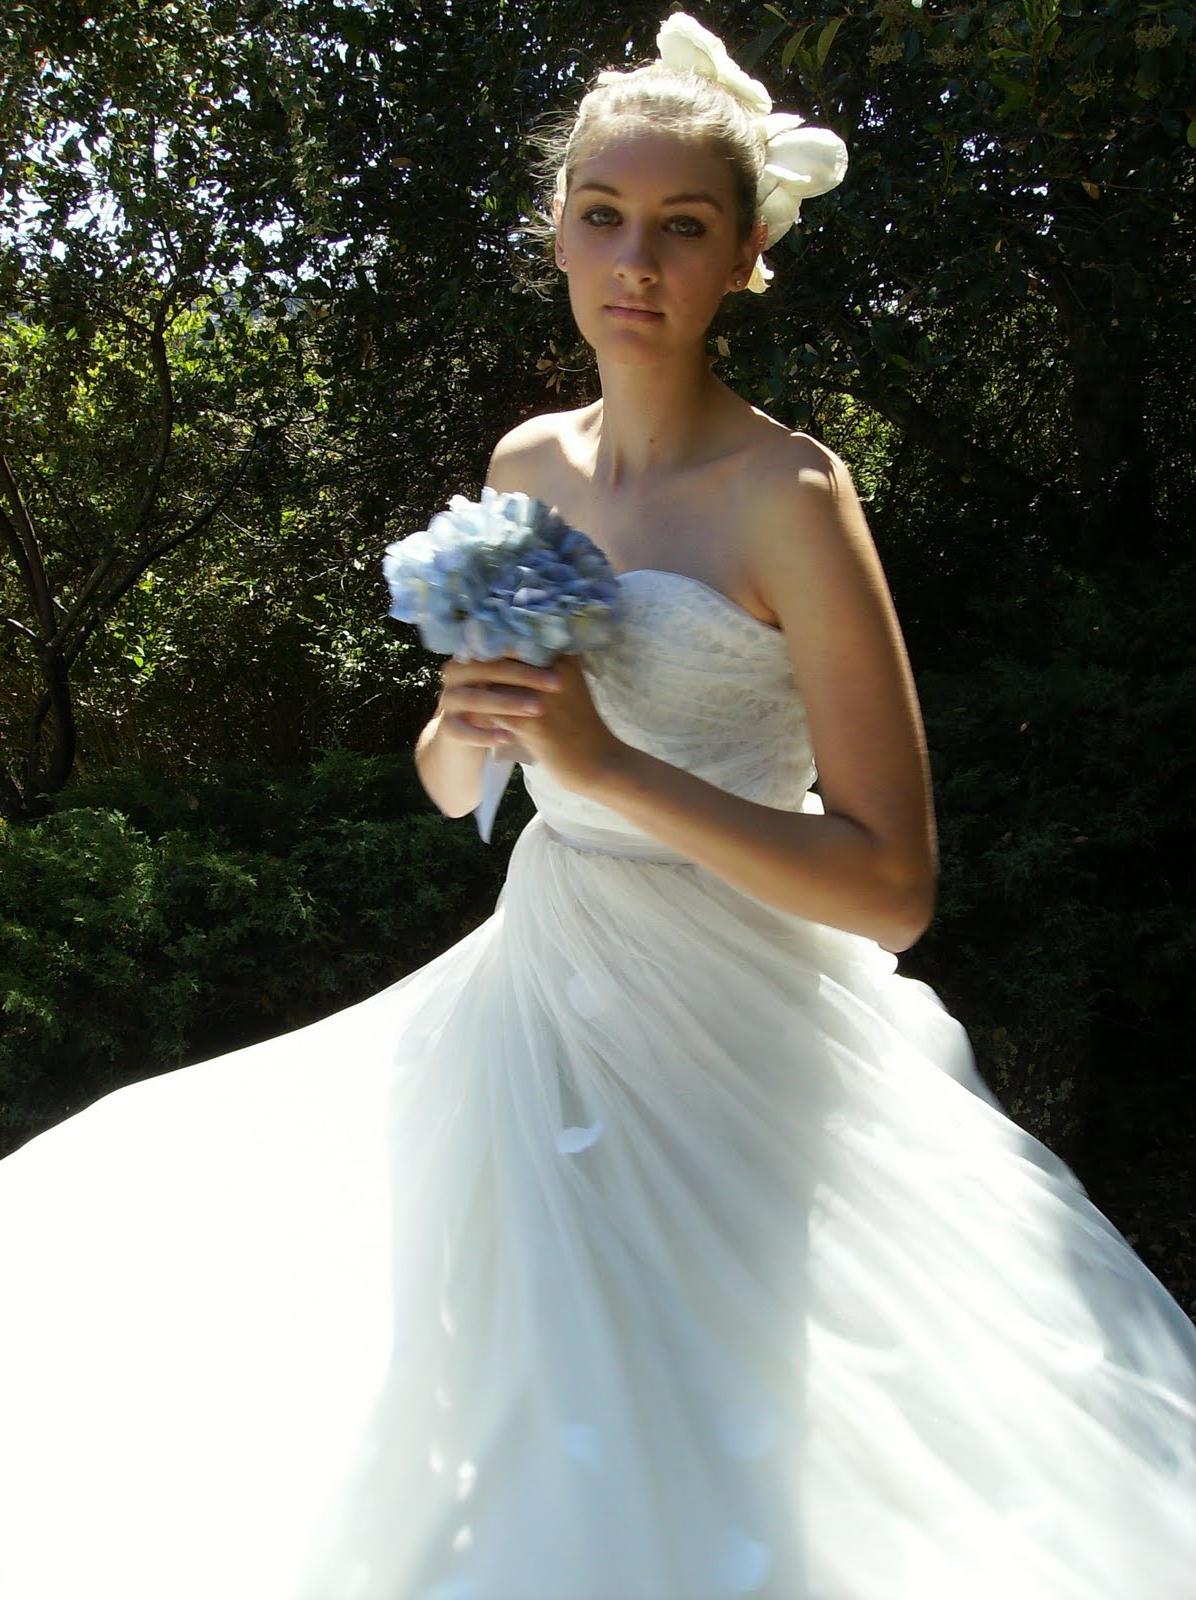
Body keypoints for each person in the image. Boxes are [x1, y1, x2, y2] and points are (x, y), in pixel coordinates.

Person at [0, 13, 1193, 1600]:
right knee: (489, 1409)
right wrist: (463, 717)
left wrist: (618, 767)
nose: (636, 261)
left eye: (684, 228)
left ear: (748, 256)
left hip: (738, 1039)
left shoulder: (793, 498)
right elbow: (460, 787)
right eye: (603, 218)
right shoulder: (529, 465)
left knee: (743, 1429)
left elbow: (894, 884)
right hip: (535, 998)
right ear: (560, 234)